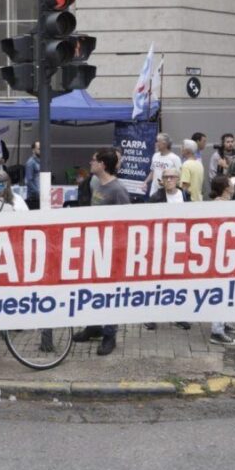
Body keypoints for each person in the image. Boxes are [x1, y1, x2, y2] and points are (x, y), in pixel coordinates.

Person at [71, 148, 131, 356]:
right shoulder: (96, 183)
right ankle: (94, 327)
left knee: (108, 292)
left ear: (103, 164)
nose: (90, 162)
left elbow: (126, 222)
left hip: (110, 249)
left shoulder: (118, 190)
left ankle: (109, 334)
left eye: (94, 160)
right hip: (94, 246)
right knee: (93, 290)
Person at [143, 133, 181, 197]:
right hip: (154, 192)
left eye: (158, 142)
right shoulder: (155, 156)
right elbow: (153, 171)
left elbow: (179, 176)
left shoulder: (175, 158)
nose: (156, 144)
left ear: (164, 144)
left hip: (168, 193)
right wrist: (145, 182)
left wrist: (167, 183)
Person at [24, 141, 41, 210]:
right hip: (33, 198)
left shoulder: (41, 161)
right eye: (39, 149)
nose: (41, 150)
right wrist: (38, 193)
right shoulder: (30, 163)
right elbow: (28, 181)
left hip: (39, 196)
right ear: (33, 150)